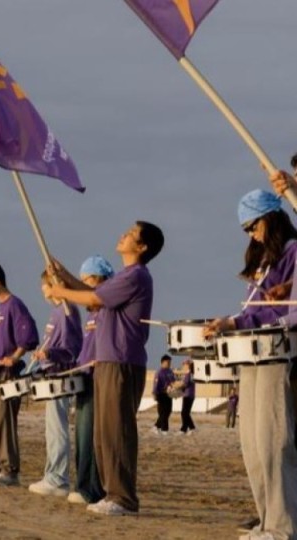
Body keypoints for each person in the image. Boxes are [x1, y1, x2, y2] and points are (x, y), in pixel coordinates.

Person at [48, 220, 164, 517]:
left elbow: (94, 297)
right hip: (108, 360)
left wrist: (61, 290)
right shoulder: (125, 275)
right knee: (104, 432)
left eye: (131, 234)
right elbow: (95, 297)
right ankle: (111, 492)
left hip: (122, 361)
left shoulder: (136, 275)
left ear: (142, 247)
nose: (124, 234)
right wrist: (65, 276)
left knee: (117, 431)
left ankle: (123, 498)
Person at [211, 183, 297, 539]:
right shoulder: (264, 261)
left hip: (278, 352)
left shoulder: (294, 251)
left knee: (274, 441)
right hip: (252, 354)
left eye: (254, 225)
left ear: (272, 219)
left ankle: (282, 525)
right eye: (246, 229)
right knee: (252, 444)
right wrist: (230, 323)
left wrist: (263, 319)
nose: (251, 234)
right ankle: (266, 520)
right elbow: (252, 311)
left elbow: (290, 314)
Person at [0, 262, 39, 487]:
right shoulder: (0, 308)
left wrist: (15, 356)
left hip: (7, 375)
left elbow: (28, 337)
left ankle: (10, 470)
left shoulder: (14, 305)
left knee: (4, 423)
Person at [29, 272, 83, 498]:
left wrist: (50, 353)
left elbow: (72, 350)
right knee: (51, 429)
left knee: (58, 428)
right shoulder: (56, 312)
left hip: (61, 377)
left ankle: (59, 478)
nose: (45, 295)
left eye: (47, 290)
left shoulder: (68, 311)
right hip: (51, 375)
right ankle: (51, 474)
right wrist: (42, 354)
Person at [67, 255, 113, 506]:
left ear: (100, 280)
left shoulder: (107, 310)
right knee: (82, 435)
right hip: (84, 377)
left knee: (92, 435)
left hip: (98, 379)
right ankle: (82, 484)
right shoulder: (91, 315)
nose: (84, 286)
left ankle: (92, 489)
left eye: (87, 280)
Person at [152, 355, 176, 435]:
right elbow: (155, 384)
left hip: (169, 394)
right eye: (168, 362)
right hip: (161, 394)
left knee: (168, 411)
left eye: (170, 362)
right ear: (162, 362)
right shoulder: (159, 372)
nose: (169, 364)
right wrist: (154, 394)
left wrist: (175, 391)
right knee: (163, 412)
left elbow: (173, 381)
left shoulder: (170, 371)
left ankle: (156, 426)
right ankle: (164, 430)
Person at [179, 360, 196, 435]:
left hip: (188, 395)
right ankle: (188, 428)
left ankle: (186, 429)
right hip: (189, 395)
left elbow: (185, 384)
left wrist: (177, 388)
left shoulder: (189, 374)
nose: (183, 366)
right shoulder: (191, 374)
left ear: (188, 365)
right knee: (186, 413)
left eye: (184, 364)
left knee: (184, 413)